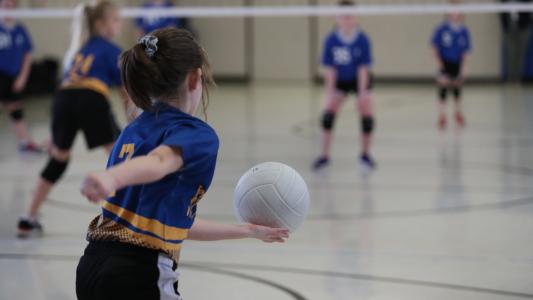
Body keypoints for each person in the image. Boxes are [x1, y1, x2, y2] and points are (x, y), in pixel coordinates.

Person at [75, 28, 289, 300]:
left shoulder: (133, 130)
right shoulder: (197, 135)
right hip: (139, 273)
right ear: (195, 78)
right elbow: (160, 161)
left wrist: (247, 230)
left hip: (92, 266)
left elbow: (172, 222)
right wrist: (112, 179)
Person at [17, 1, 125, 237]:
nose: (120, 24)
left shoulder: (79, 50)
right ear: (101, 24)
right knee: (121, 155)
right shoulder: (112, 50)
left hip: (63, 98)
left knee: (59, 159)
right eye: (116, 20)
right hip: (91, 97)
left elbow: (66, 87)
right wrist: (135, 122)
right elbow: (125, 91)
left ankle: (28, 217)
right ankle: (131, 217)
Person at [313, 0, 376, 171]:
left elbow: (363, 69)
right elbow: (330, 69)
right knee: (327, 115)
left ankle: (365, 155)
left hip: (358, 79)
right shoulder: (331, 40)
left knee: (367, 115)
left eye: (350, 16)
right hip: (340, 79)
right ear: (337, 18)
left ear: (356, 18)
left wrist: (362, 94)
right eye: (343, 16)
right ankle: (324, 156)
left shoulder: (363, 39)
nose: (347, 20)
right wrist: (330, 92)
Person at [0, 0, 42, 153]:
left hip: (14, 75)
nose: (8, 9)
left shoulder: (19, 29)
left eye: (11, 6)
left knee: (16, 108)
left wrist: (23, 77)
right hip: (1, 74)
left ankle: (25, 142)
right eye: (5, 6)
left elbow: (27, 54)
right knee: (11, 106)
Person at [431, 4, 471, 130]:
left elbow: (466, 51)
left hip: (457, 63)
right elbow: (434, 48)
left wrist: (464, 67)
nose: (455, 14)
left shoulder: (464, 30)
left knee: (457, 88)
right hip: (444, 62)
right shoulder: (441, 29)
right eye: (453, 11)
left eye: (458, 11)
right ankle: (442, 116)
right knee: (443, 88)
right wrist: (439, 66)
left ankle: (457, 113)